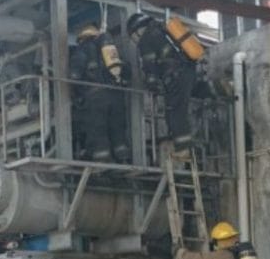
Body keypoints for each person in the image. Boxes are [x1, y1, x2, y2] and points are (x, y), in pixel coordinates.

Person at [126, 13, 197, 156]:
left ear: (139, 29)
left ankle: (183, 148)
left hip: (174, 77)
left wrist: (152, 83)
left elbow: (149, 64)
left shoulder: (146, 39)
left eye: (133, 36)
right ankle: (210, 91)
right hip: (189, 71)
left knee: (174, 110)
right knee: (182, 108)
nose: (135, 40)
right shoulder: (163, 30)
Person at [70, 23, 130, 162]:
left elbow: (74, 75)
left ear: (82, 38)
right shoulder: (111, 51)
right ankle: (123, 158)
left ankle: (101, 163)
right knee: (118, 129)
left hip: (95, 97)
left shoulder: (82, 49)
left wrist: (77, 95)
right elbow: (126, 71)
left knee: (97, 129)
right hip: (117, 95)